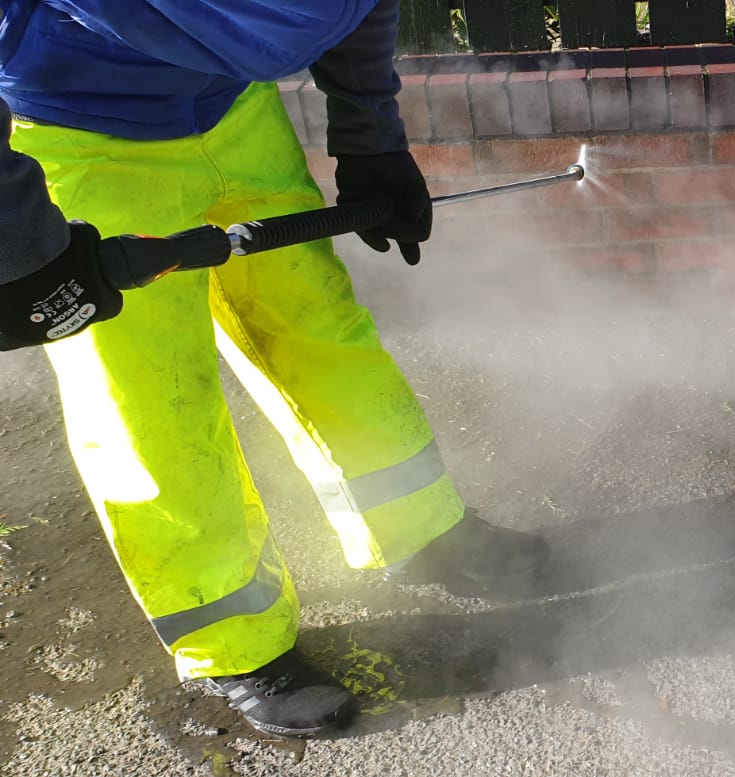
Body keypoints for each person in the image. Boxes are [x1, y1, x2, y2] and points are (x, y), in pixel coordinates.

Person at [0, 0, 549, 738]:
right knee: (149, 405)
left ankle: (419, 530)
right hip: (82, 133)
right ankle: (235, 644)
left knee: (322, 328)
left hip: (235, 112)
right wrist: (22, 241)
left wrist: (369, 136)